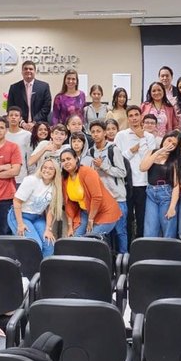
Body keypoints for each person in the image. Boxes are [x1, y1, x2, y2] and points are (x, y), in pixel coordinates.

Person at [87, 120, 129, 254]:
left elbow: (122, 172)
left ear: (105, 133)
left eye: (98, 131)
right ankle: (107, 261)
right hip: (102, 200)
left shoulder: (113, 149)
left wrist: (103, 166)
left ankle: (123, 260)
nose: (95, 134)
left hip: (117, 198)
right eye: (93, 132)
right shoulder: (90, 151)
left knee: (120, 231)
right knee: (104, 234)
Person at [115, 105, 156, 240]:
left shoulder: (149, 137)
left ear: (141, 117)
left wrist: (142, 138)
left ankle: (140, 244)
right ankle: (125, 248)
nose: (134, 118)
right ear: (127, 118)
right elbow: (119, 159)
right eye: (131, 116)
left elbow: (148, 158)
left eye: (136, 115)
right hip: (126, 182)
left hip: (144, 182)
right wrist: (132, 150)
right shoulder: (121, 135)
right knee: (127, 217)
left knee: (142, 217)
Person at [61, 149, 121, 236]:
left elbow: (97, 197)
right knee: (75, 238)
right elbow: (69, 204)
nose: (66, 162)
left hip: (104, 212)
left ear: (76, 159)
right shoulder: (64, 179)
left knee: (90, 240)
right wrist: (70, 226)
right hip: (85, 212)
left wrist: (91, 219)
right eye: (63, 160)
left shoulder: (87, 172)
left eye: (68, 159)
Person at [9, 158, 62, 257]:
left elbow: (50, 210)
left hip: (37, 217)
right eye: (45, 167)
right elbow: (16, 201)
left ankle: (43, 270)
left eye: (51, 168)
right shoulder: (32, 180)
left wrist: (48, 229)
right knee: (34, 245)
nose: (47, 170)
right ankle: (27, 271)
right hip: (20, 215)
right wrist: (20, 224)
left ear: (55, 172)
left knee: (49, 244)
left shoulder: (55, 186)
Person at [140, 131, 181, 238]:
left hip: (166, 193)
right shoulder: (151, 152)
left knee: (168, 228)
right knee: (150, 229)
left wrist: (172, 206)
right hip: (151, 193)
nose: (170, 144)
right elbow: (143, 167)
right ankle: (149, 254)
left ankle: (169, 254)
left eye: (174, 144)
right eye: (169, 140)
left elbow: (176, 185)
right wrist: (160, 151)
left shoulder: (174, 160)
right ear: (164, 139)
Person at [6, 60, 52, 127]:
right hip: (20, 126)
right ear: (22, 72)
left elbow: (46, 108)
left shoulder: (44, 87)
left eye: (31, 69)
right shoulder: (14, 88)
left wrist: (34, 122)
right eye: (25, 69)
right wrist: (22, 123)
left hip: (39, 126)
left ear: (35, 71)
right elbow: (10, 108)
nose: (28, 71)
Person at [5, 106, 32, 186]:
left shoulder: (27, 135)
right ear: (7, 118)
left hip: (22, 177)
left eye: (16, 115)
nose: (13, 117)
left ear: (20, 119)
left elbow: (30, 157)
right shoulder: (3, 134)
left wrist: (31, 175)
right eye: (11, 115)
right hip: (5, 176)